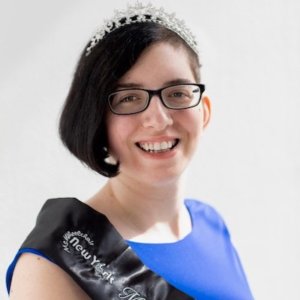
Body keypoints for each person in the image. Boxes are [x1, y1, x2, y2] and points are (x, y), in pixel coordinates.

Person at [6, 3, 254, 299]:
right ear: (97, 120)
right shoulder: (51, 266)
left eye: (177, 93)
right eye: (129, 98)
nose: (159, 119)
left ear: (204, 111)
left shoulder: (210, 223)